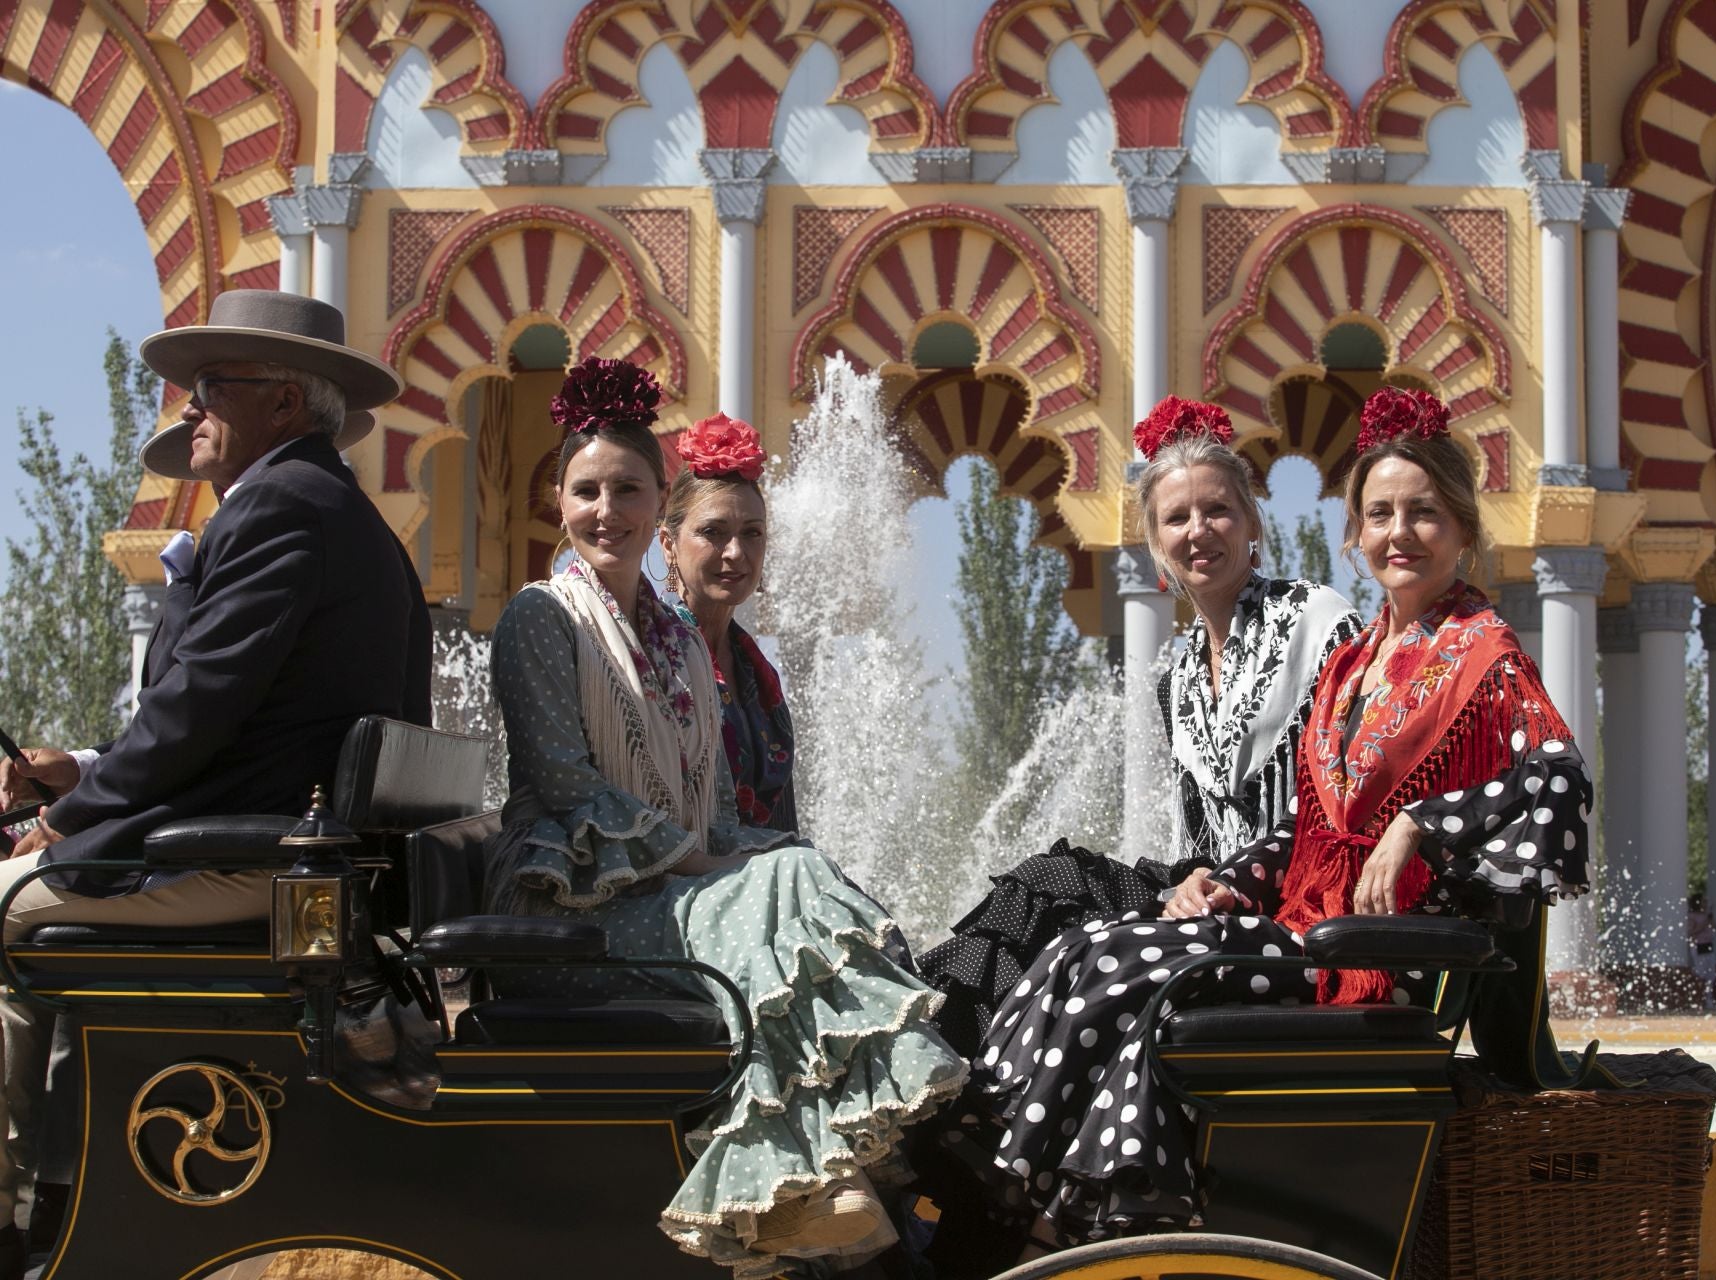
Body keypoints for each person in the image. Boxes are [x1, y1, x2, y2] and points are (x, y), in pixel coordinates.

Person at [954, 387, 1592, 1248]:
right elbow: (1305, 827)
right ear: (1355, 537)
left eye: (1423, 513)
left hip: (1370, 956)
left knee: (1123, 969)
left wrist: (1422, 826)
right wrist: (1224, 878)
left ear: (1465, 530)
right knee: (1084, 945)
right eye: (1379, 514)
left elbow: (1556, 788)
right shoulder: (1362, 662)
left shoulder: (1484, 654)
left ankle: (1028, 1207)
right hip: (1297, 921)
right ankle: (1004, 1168)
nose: (1399, 532)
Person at [481, 358, 964, 1276]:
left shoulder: (668, 641)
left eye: (626, 488)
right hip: (567, 908)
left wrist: (754, 857)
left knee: (797, 869)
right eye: (588, 490)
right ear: (560, 502)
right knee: (773, 885)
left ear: (653, 499)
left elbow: (713, 812)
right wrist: (696, 860)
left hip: (657, 894)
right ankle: (805, 1179)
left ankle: (831, 1176)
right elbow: (569, 785)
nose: (605, 510)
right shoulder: (541, 619)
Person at [0, 290, 428, 1279]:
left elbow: (195, 714)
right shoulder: (335, 511)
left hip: (255, 862)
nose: (187, 410)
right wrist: (90, 769)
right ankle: (60, 1188)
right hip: (282, 847)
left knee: (4, 905)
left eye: (208, 390)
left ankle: (25, 1203)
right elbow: (237, 721)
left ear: (284, 401)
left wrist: (59, 822)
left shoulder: (285, 506)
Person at [919, 396, 1359, 1057]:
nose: (1197, 530)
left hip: (1292, 900)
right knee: (1041, 890)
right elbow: (1201, 836)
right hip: (1208, 891)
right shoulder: (1177, 675)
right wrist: (1192, 881)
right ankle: (942, 1068)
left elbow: (1346, 796)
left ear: (1251, 524)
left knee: (1087, 943)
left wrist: (1230, 882)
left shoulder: (1318, 621)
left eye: (1217, 510)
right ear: (1158, 543)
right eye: (1175, 518)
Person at [658, 415, 795, 832]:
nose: (736, 552)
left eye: (752, 533)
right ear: (668, 545)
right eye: (713, 532)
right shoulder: (652, 657)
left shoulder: (758, 673)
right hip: (682, 882)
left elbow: (784, 824)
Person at [1686, 893, 1716, 1012]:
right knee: (1700, 973)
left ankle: (1709, 1000)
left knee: (1711, 974)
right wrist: (1704, 923)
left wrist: (1710, 918)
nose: (1705, 904)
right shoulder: (1692, 916)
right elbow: (1691, 931)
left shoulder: (1707, 916)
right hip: (1698, 945)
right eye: (1703, 902)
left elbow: (1715, 927)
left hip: (1708, 945)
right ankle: (1697, 999)